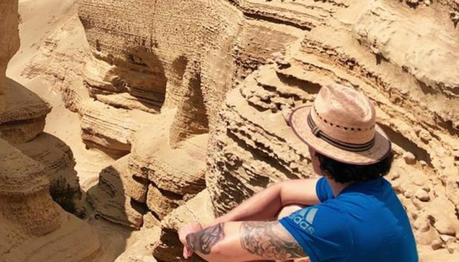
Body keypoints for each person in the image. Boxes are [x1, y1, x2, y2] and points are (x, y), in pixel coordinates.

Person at [178, 83, 418, 262]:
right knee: (290, 211)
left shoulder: (338, 220)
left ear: (316, 151)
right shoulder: (371, 189)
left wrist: (192, 236)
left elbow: (216, 248)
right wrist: (214, 225)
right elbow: (283, 192)